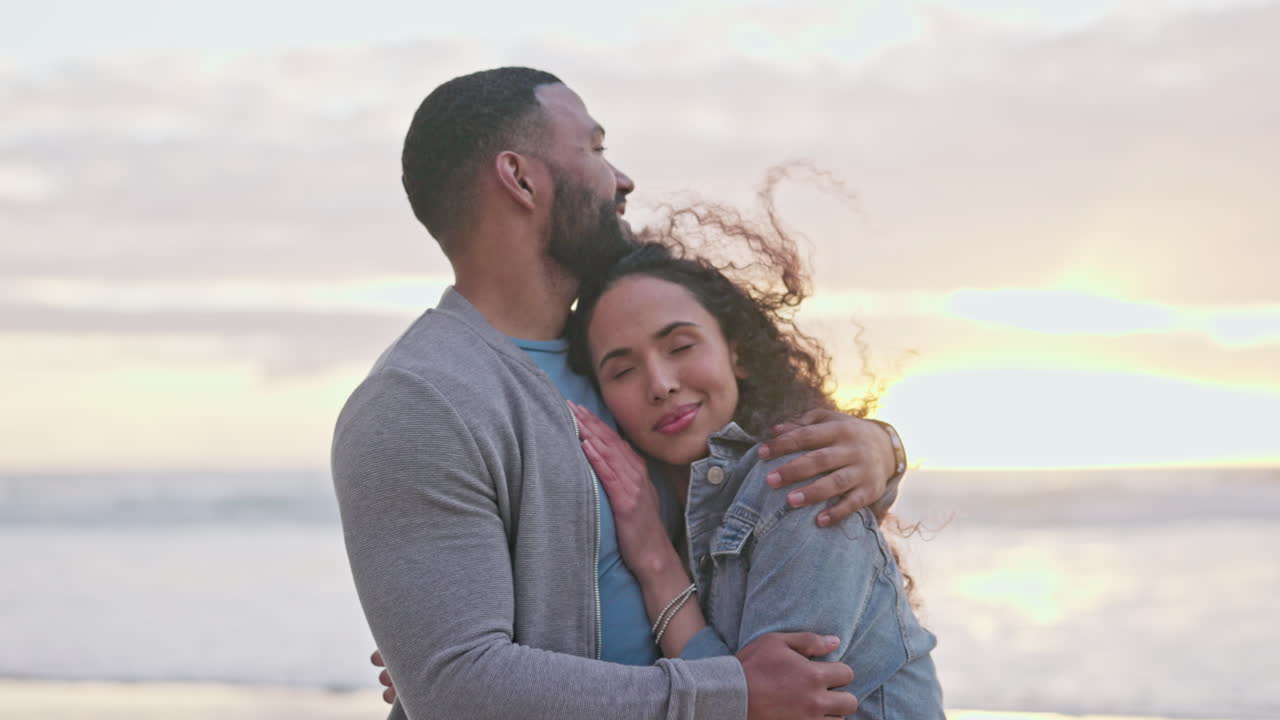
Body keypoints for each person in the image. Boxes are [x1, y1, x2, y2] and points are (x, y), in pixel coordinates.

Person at [333, 67, 909, 720]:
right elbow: (461, 689)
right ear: (520, 178)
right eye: (597, 151)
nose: (623, 181)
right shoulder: (419, 401)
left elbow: (749, 492)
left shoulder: (619, 361)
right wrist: (730, 693)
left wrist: (879, 449)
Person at [564, 222, 943, 718]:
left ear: (736, 353)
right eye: (622, 370)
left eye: (680, 346)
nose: (659, 384)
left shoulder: (799, 480)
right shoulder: (665, 504)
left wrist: (657, 565)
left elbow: (767, 709)